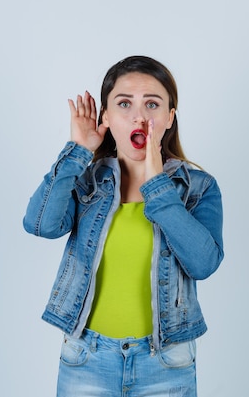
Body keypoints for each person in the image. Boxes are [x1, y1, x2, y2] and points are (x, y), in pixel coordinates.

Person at [23, 55, 224, 396]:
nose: (139, 116)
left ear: (169, 118)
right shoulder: (88, 180)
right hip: (86, 358)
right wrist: (78, 151)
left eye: (152, 104)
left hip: (165, 362)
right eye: (124, 103)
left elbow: (203, 264)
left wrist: (157, 183)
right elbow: (40, 224)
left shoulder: (198, 187)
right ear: (106, 116)